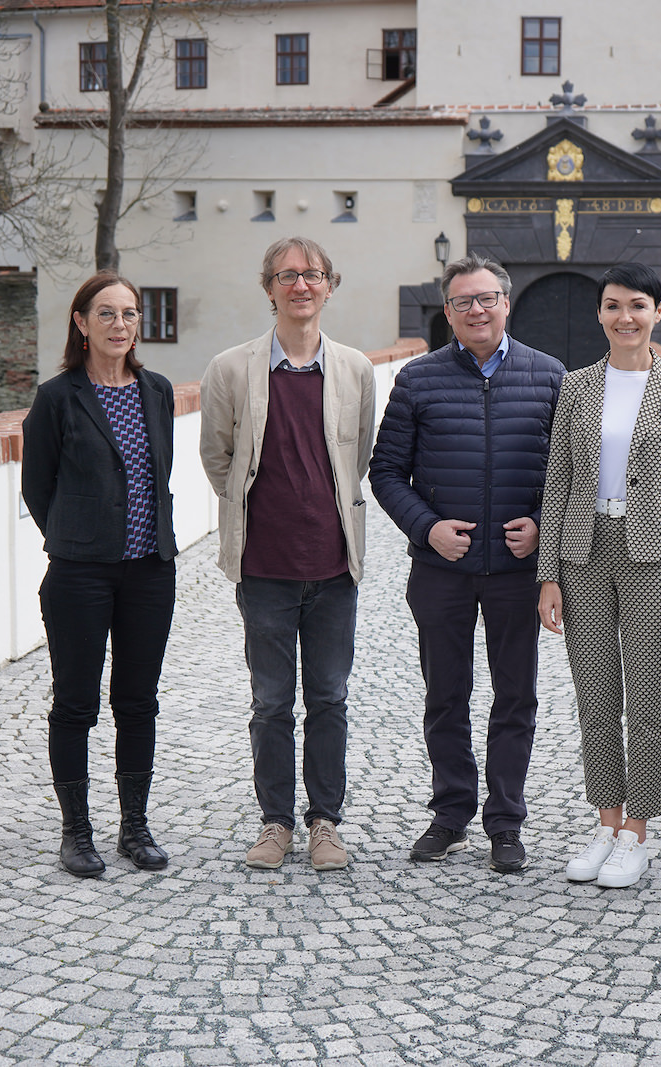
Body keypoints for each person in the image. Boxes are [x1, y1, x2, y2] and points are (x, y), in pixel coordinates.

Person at [369, 253, 565, 874]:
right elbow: (386, 472)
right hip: (440, 571)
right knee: (445, 696)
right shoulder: (418, 379)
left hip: (515, 571)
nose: (476, 310)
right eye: (462, 302)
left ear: (507, 304)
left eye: (487, 299)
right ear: (447, 311)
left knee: (516, 698)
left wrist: (542, 527)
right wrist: (427, 530)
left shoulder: (550, 376)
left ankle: (505, 822)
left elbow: (568, 478)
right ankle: (451, 813)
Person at [199, 237, 376, 873]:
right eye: (287, 275)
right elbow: (217, 457)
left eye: (313, 274)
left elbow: (358, 456)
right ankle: (274, 824)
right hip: (264, 569)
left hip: (333, 567)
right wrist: (256, 510)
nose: (301, 285)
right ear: (268, 287)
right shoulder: (230, 368)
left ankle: (325, 822)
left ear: (330, 285)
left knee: (329, 699)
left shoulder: (354, 368)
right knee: (271, 703)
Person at [536, 263, 661, 888]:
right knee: (597, 695)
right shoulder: (577, 388)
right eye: (612, 306)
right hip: (584, 553)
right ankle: (606, 820)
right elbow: (557, 483)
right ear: (600, 314)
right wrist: (547, 574)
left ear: (657, 311)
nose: (625, 317)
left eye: (637, 305)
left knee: (649, 695)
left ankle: (639, 830)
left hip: (656, 557)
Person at [21, 271, 178, 878]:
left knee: (138, 702)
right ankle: (76, 831)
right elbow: (39, 487)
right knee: (76, 703)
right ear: (81, 323)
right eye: (106, 314)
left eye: (130, 314)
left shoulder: (156, 391)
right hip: (80, 574)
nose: (120, 325)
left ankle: (134, 828)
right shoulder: (58, 398)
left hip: (149, 572)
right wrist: (76, 538)